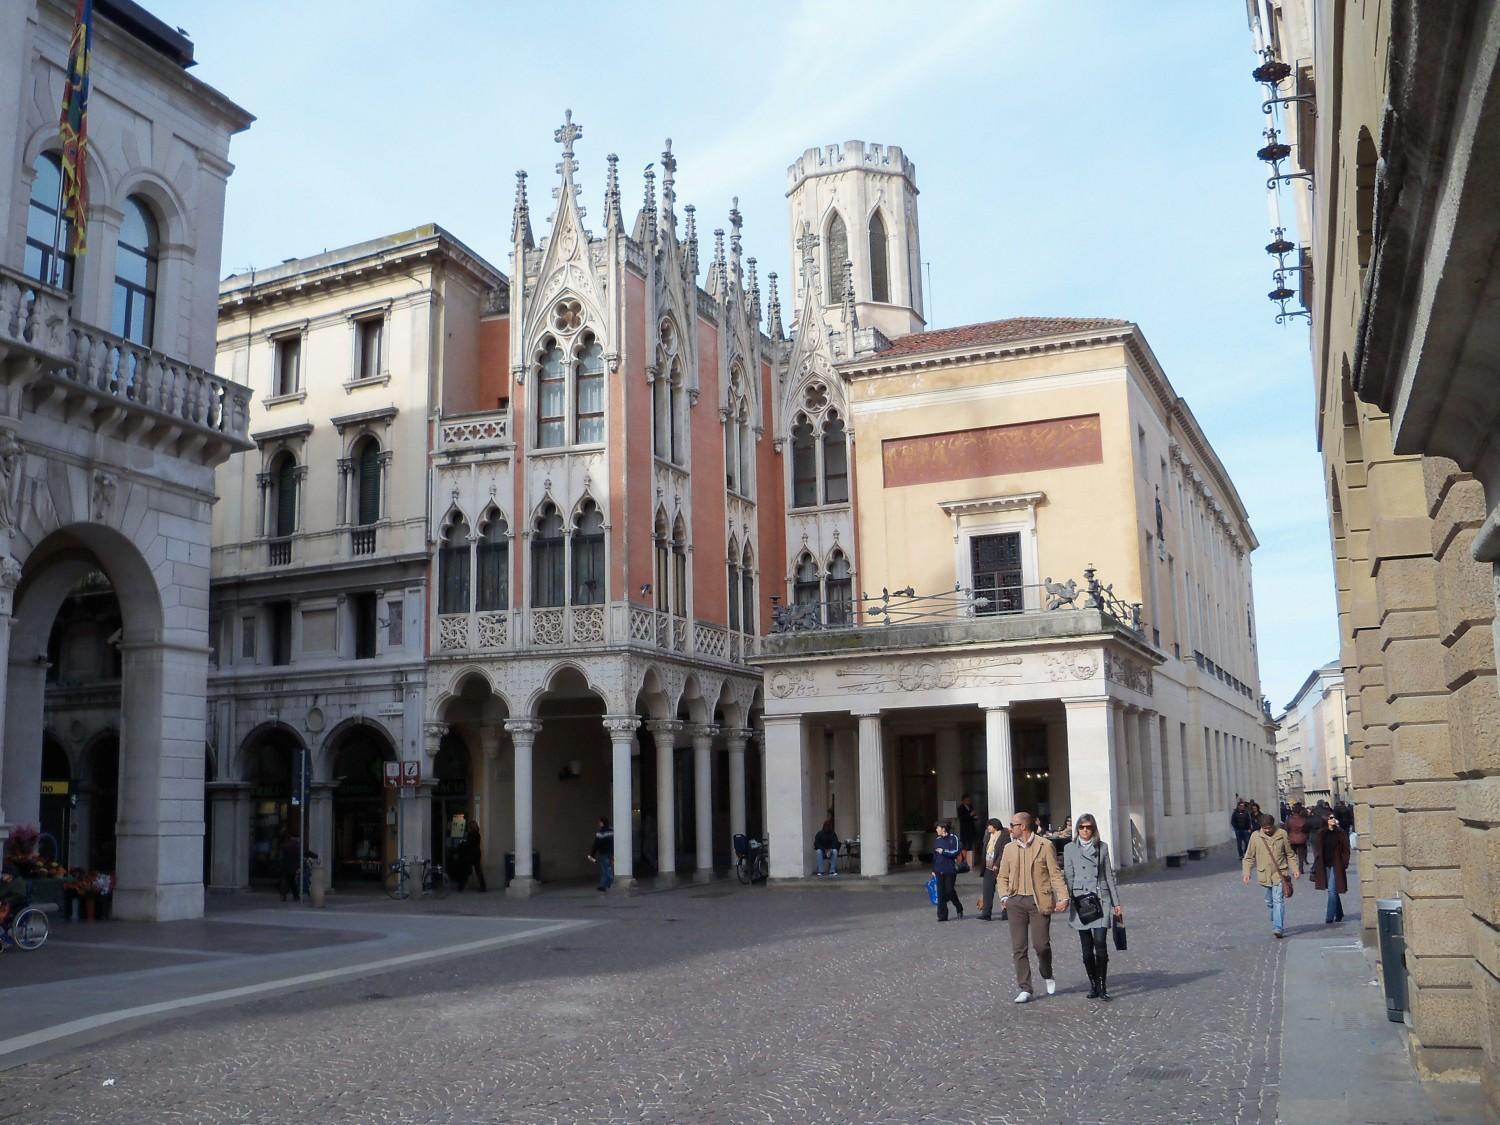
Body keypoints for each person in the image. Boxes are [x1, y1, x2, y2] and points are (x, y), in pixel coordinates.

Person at [996, 811, 1069, 1002]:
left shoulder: (1045, 845)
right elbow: (1002, 876)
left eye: (1013, 825)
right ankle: (1025, 987)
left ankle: (1047, 973)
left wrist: (1063, 896)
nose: (1010, 828)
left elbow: (1055, 873)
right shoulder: (1009, 848)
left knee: (1041, 945)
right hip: (1015, 901)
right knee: (1019, 947)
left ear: (1023, 827)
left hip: (1039, 901)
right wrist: (1004, 897)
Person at [1062, 813, 1123, 1001]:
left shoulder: (1102, 848)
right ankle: (1093, 984)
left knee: (1100, 944)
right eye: (1082, 827)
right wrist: (1070, 898)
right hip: (1082, 901)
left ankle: (1103, 986)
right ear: (1077, 829)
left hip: (1101, 898)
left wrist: (1116, 903)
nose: (1085, 830)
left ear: (1093, 828)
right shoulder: (1069, 848)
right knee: (1087, 951)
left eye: (1088, 827)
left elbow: (1108, 876)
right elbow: (1069, 876)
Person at [1243, 813, 1300, 938]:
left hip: (1280, 873)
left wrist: (1295, 869)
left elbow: (1289, 854)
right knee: (1270, 901)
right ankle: (1275, 916)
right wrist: (1247, 873)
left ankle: (1278, 927)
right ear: (1261, 827)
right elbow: (1248, 857)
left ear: (1273, 825)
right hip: (1264, 875)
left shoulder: (1282, 834)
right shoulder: (1255, 837)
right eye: (1265, 828)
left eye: (1269, 827)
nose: (1268, 830)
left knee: (1278, 900)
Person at [1312, 809, 1350, 923]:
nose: (1333, 820)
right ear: (1325, 820)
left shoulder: (1340, 832)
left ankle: (1329, 917)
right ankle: (1339, 913)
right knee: (1332, 889)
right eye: (1330, 818)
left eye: (1333, 817)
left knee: (1332, 890)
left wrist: (1344, 862)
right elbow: (1317, 850)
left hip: (1336, 864)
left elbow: (1346, 849)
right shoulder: (1321, 833)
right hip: (1325, 864)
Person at [931, 820, 964, 922]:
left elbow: (957, 851)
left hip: (950, 869)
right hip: (939, 870)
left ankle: (958, 906)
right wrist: (933, 869)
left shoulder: (953, 838)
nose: (936, 829)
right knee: (940, 893)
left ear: (943, 829)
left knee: (949, 891)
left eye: (938, 827)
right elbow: (935, 856)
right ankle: (942, 916)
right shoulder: (937, 840)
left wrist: (944, 852)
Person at [976, 818, 1007, 920]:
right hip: (988, 867)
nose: (988, 827)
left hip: (1000, 867)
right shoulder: (988, 835)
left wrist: (997, 863)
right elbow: (985, 849)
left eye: (990, 825)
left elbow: (1004, 851)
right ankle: (986, 912)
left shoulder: (1004, 835)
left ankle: (1006, 912)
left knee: (1003, 890)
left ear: (995, 826)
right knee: (987, 890)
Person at [589, 817, 614, 891]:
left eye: (599, 822)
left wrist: (591, 854)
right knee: (608, 868)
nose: (599, 823)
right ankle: (608, 884)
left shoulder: (600, 833)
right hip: (611, 853)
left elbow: (596, 844)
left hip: (603, 853)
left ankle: (603, 885)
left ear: (602, 823)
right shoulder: (612, 831)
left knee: (605, 869)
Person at [278, 832, 302, 903]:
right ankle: (295, 896)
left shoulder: (285, 845)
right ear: (297, 838)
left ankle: (284, 895)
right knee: (291, 881)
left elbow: (281, 856)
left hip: (285, 866)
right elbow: (305, 852)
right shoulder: (297, 846)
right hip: (294, 867)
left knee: (287, 881)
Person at [461, 822, 486, 892]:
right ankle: (483, 886)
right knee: (478, 871)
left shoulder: (472, 834)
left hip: (471, 854)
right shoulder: (477, 834)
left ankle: (461, 886)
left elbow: (469, 843)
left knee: (467, 870)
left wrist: (464, 844)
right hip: (476, 854)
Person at [1286, 804, 1311, 871]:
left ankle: (1293, 867)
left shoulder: (1289, 819)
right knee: (1301, 855)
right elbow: (1306, 829)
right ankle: (1301, 869)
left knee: (1291, 855)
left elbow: (1287, 829)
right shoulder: (1303, 819)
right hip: (1301, 838)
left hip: (1292, 838)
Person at [956, 794, 978, 858]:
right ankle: (964, 858)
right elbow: (962, 818)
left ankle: (970, 858)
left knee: (971, 844)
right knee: (964, 844)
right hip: (965, 829)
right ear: (963, 801)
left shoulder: (971, 807)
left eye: (969, 800)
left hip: (971, 829)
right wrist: (970, 815)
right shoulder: (960, 808)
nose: (968, 801)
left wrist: (975, 817)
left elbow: (972, 816)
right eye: (967, 800)